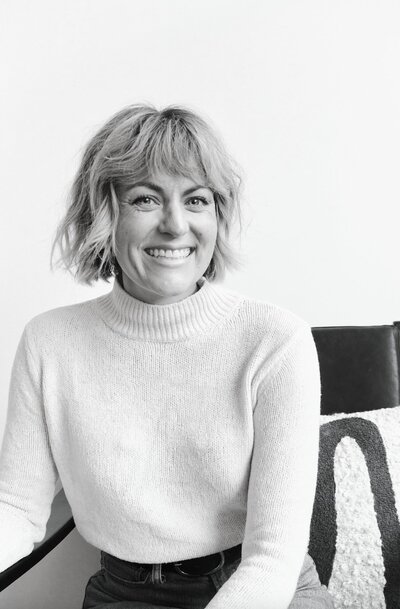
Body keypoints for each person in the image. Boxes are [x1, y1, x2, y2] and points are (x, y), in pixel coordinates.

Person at [0, 103, 334, 609]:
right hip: (123, 593)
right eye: (146, 199)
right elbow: (18, 508)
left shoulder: (274, 340)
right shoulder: (50, 342)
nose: (176, 225)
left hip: (261, 586)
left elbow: (272, 558)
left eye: (196, 200)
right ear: (103, 214)